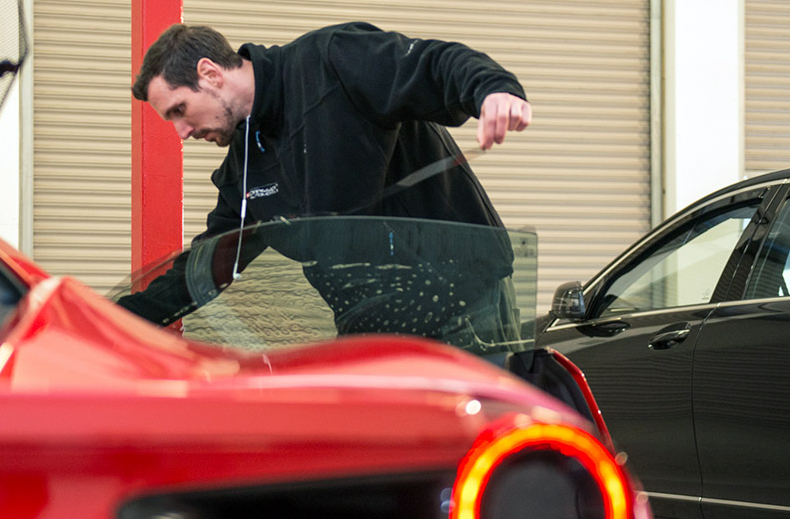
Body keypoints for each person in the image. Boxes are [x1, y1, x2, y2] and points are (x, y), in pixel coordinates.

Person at [117, 21, 532, 347]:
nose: (183, 132)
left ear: (209, 74)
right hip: (372, 331)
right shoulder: (245, 168)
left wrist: (492, 89)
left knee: (474, 451)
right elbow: (208, 265)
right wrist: (109, 320)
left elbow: (429, 62)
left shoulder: (331, 62)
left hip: (464, 306)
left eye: (180, 110)